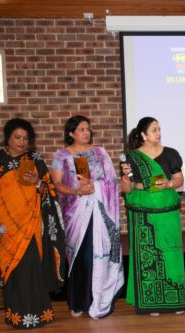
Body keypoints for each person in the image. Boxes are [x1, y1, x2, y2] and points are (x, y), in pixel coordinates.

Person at [0, 118, 67, 329]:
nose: (22, 142)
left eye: (25, 138)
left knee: (31, 266)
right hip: (7, 224)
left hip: (31, 222)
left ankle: (40, 314)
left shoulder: (34, 158)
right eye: (17, 137)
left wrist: (37, 183)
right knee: (13, 268)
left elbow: (48, 190)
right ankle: (16, 315)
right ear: (8, 137)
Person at [51, 115, 124, 318]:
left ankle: (98, 299)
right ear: (71, 133)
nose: (86, 132)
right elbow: (56, 184)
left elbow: (111, 181)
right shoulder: (61, 156)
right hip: (75, 212)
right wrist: (77, 191)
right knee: (79, 256)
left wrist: (95, 187)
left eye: (88, 129)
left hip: (99, 212)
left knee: (96, 253)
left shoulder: (100, 153)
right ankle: (78, 302)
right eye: (81, 129)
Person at [120, 117, 185, 316]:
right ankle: (152, 301)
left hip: (167, 210)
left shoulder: (171, 154)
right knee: (148, 254)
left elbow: (179, 179)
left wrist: (168, 184)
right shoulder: (130, 157)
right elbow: (127, 189)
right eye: (154, 129)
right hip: (143, 213)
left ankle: (175, 299)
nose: (158, 132)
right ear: (143, 134)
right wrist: (125, 178)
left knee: (170, 251)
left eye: (159, 129)